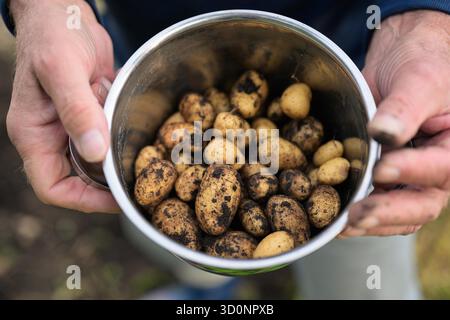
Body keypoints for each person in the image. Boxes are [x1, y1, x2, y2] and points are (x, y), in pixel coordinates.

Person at [2, 0, 449, 299]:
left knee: (365, 278)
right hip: (130, 58)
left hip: (364, 62)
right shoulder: (184, 145)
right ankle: (206, 288)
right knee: (172, 240)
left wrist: (427, 16)